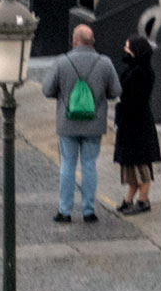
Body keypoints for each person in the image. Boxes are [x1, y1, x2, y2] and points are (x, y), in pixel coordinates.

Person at [39, 23, 122, 224]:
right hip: (94, 123)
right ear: (92, 42)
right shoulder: (104, 63)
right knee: (89, 166)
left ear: (75, 41)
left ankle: (65, 211)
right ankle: (88, 211)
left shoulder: (62, 62)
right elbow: (116, 91)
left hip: (67, 123)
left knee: (67, 165)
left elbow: (47, 90)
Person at [113, 35, 161, 214]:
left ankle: (143, 200)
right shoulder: (135, 70)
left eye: (128, 48)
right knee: (131, 166)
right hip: (132, 123)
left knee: (140, 166)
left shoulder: (140, 73)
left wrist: (123, 117)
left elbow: (134, 101)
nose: (125, 50)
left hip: (136, 124)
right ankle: (128, 199)